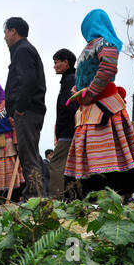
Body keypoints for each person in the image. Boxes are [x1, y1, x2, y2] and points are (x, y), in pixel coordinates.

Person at [64, 9, 134, 199]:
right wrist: (78, 89)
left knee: (104, 155)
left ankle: (107, 198)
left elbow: (109, 67)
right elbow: (86, 73)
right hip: (89, 109)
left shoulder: (105, 42)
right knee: (92, 155)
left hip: (103, 109)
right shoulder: (91, 46)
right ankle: (89, 197)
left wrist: (91, 91)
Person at [3, 17, 47, 199]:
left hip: (28, 111)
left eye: (5, 32)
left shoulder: (22, 50)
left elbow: (27, 79)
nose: (4, 37)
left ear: (13, 31)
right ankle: (35, 196)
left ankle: (35, 199)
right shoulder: (24, 50)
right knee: (30, 153)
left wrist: (19, 107)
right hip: (31, 110)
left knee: (28, 156)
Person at [48, 49, 78, 199]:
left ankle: (56, 200)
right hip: (70, 130)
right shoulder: (71, 78)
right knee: (69, 166)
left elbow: (69, 105)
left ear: (66, 62)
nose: (54, 66)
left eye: (56, 62)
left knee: (56, 164)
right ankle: (71, 198)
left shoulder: (70, 79)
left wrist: (62, 128)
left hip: (68, 131)